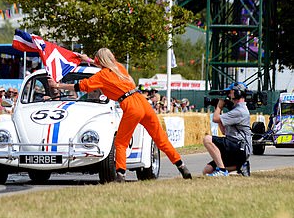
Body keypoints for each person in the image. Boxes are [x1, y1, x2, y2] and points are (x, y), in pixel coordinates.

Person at [49, 48, 192, 182]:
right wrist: (88, 60)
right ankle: (182, 166)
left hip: (130, 105)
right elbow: (105, 64)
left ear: (99, 60)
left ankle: (121, 174)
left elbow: (80, 86)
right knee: (160, 138)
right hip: (142, 101)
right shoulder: (119, 68)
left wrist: (57, 86)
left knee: (121, 142)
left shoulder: (102, 76)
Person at [203, 82, 252, 177]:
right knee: (207, 170)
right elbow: (224, 132)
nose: (228, 95)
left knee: (207, 139)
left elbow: (215, 119)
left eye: (230, 92)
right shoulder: (236, 109)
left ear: (238, 93)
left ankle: (222, 170)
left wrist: (219, 107)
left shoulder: (240, 111)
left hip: (240, 146)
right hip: (236, 146)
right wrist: (218, 109)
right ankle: (241, 166)